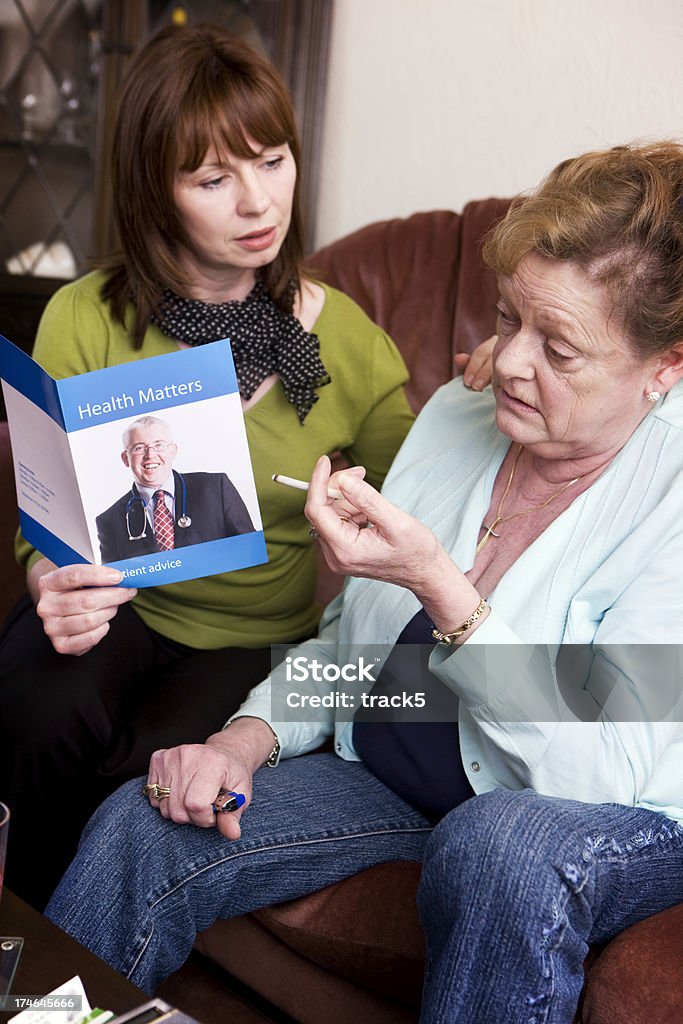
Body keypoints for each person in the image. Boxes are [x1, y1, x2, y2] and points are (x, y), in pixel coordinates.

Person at [46, 140, 683, 1022]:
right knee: (145, 820)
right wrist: (240, 743)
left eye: (558, 347)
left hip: (600, 810)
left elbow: (600, 773)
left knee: (497, 841)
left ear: (667, 365)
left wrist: (443, 588)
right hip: (392, 768)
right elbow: (356, 652)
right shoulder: (463, 416)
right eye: (506, 320)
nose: (503, 363)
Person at [0, 21, 434, 911]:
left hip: (243, 638)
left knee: (141, 778)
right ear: (156, 194)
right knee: (35, 710)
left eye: (272, 161)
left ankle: (80, 984)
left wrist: (480, 398)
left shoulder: (342, 338)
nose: (257, 204)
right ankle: (19, 951)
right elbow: (45, 512)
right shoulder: (85, 316)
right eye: (212, 178)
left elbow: (432, 497)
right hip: (117, 599)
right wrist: (50, 574)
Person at [96, 415, 254, 562]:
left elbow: (251, 551)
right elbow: (117, 585)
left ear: (173, 451)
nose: (150, 455)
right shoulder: (109, 521)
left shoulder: (215, 488)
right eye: (139, 448)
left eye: (159, 445)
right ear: (125, 458)